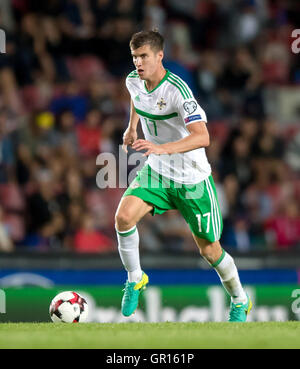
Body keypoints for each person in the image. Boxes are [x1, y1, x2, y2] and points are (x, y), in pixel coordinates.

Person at [115, 30, 252, 322]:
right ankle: (135, 278)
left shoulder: (178, 91)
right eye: (135, 57)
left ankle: (240, 299)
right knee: (123, 218)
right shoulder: (132, 81)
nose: (138, 62)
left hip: (192, 179)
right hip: (158, 173)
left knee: (210, 250)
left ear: (160, 56)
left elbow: (203, 137)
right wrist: (132, 128)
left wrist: (161, 148)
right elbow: (137, 100)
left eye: (144, 56)